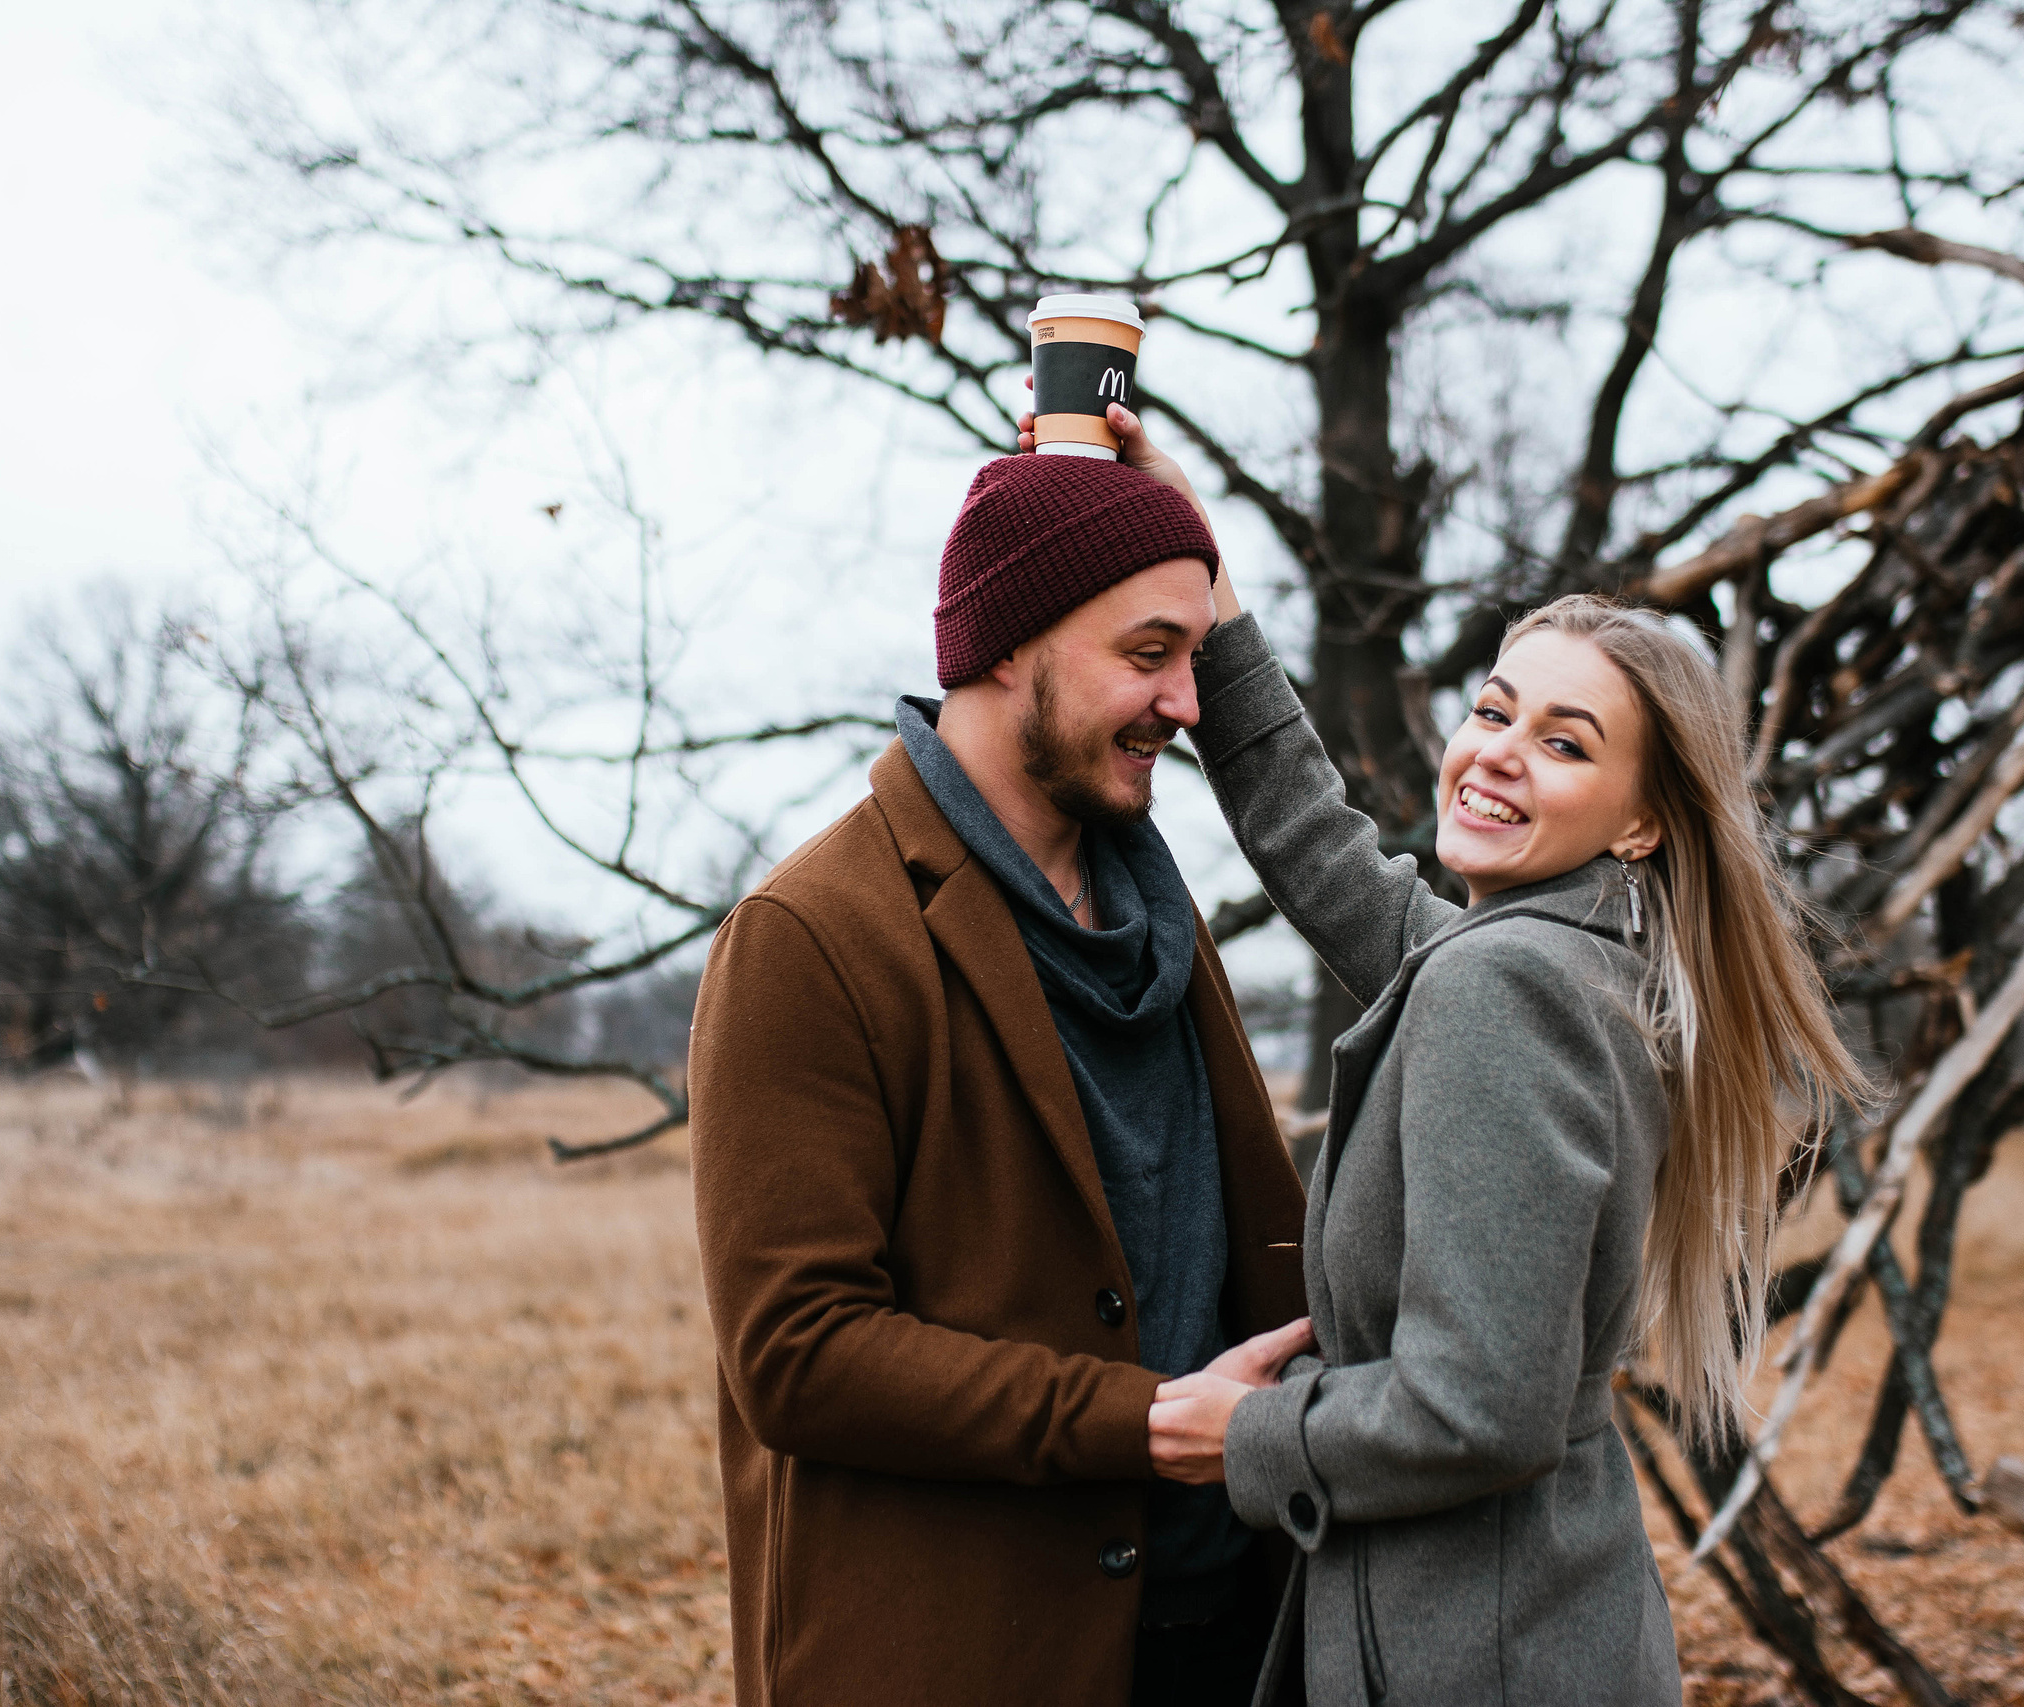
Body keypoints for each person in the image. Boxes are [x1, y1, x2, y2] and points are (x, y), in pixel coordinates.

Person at [1023, 407, 1869, 1705]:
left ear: (1643, 819)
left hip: (1469, 1657)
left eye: (1565, 741)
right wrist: (1203, 569)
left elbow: (1482, 1408)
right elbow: (1322, 846)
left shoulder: (1507, 985)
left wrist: (1240, 1433)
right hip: (1540, 1626)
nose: (1495, 755)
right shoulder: (1574, 965)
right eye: (1495, 708)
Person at [686, 446, 1317, 1707]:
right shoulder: (812, 933)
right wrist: (1135, 1422)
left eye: (1193, 657)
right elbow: (798, 1352)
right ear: (1006, 644)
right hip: (966, 1655)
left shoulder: (1152, 905)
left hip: (1229, 1636)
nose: (1188, 704)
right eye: (1148, 656)